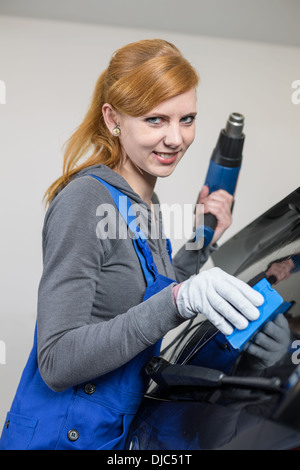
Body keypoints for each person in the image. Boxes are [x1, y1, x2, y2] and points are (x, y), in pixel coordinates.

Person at [0, 39, 290, 450]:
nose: (176, 138)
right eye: (155, 120)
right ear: (113, 118)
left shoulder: (146, 206)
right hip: (58, 439)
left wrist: (203, 239)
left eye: (186, 119)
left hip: (112, 437)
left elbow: (146, 294)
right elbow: (57, 361)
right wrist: (178, 300)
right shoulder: (87, 200)